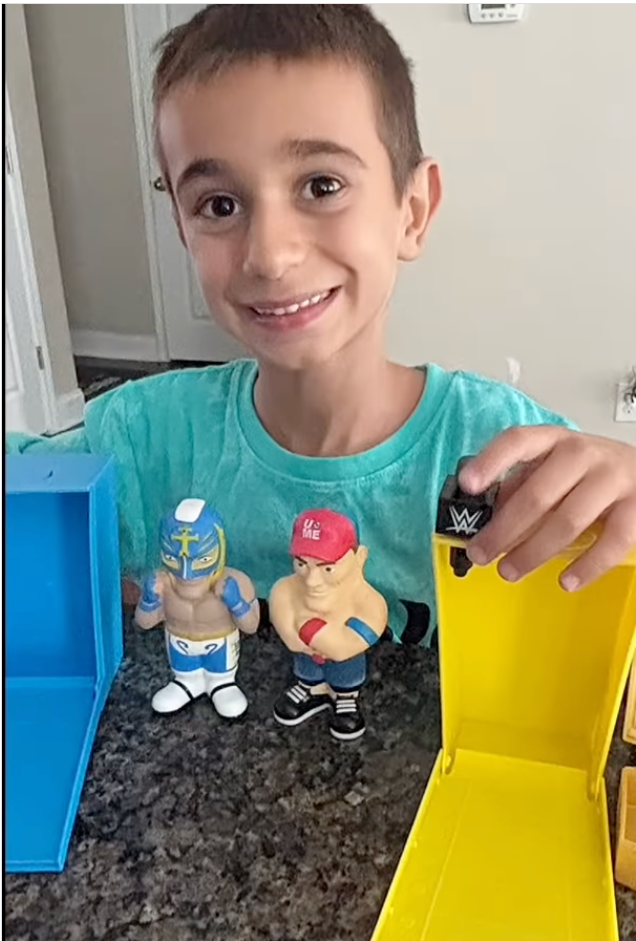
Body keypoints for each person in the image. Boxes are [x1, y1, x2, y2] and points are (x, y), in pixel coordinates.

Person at [8, 6, 636, 734]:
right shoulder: (142, 440)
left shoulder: (508, 459)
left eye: (322, 186)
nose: (270, 254)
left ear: (412, 208)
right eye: (219, 204)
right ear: (183, 227)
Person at [269, 509, 388, 740]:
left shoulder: (366, 599)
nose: (312, 581)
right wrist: (294, 637)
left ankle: (345, 698)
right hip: (305, 653)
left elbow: (361, 634)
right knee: (307, 670)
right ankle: (309, 688)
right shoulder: (290, 587)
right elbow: (280, 602)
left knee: (345, 673)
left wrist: (324, 638)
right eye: (302, 564)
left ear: (359, 557)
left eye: (327, 569)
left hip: (343, 657)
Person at [134, 498, 259, 716]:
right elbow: (144, 623)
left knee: (225, 688)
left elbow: (251, 626)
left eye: (201, 559)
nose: (186, 573)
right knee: (183, 676)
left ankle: (223, 684)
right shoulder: (162, 583)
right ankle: (185, 683)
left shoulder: (235, 581)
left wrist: (236, 603)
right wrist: (148, 600)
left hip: (220, 647)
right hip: (179, 646)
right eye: (173, 558)